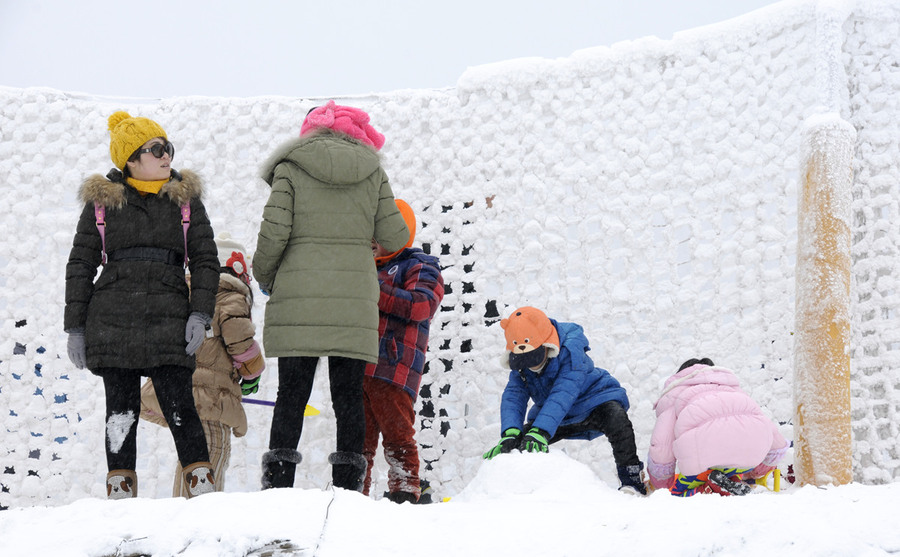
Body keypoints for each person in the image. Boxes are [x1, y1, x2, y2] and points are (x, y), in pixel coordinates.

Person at [253, 101, 410, 492]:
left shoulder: (291, 167)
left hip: (299, 296)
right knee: (348, 398)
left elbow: (273, 234)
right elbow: (395, 237)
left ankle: (278, 485)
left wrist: (266, 276)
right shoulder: (373, 170)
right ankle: (347, 490)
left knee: (291, 394)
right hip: (353, 300)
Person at [64, 111, 220, 499]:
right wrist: (76, 328)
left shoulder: (186, 202)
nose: (166, 155)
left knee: (181, 408)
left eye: (167, 147)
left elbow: (205, 260)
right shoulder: (102, 205)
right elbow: (81, 264)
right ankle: (120, 501)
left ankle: (202, 495)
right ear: (131, 159)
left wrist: (200, 313)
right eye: (156, 149)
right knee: (120, 412)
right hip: (112, 321)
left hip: (168, 318)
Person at [140, 233, 265, 497]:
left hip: (176, 396)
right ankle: (193, 527)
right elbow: (241, 344)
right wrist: (253, 371)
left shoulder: (183, 296)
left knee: (192, 465)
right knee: (208, 464)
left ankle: (185, 521)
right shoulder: (229, 296)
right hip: (209, 403)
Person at [483, 307, 647, 495]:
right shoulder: (522, 367)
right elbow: (514, 396)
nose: (530, 364)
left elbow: (563, 392)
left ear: (547, 344)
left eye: (534, 356)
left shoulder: (571, 353)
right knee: (522, 443)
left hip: (593, 402)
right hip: (556, 417)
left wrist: (542, 430)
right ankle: (515, 489)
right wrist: (511, 432)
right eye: (523, 359)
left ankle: (632, 479)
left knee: (617, 420)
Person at [362, 199, 444, 504]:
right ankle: (351, 498)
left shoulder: (420, 264)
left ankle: (405, 493)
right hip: (357, 367)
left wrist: (372, 289)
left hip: (392, 367)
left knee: (397, 437)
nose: (370, 241)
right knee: (357, 442)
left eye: (377, 235)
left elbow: (421, 305)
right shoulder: (364, 268)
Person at [646, 358, 789, 496]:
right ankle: (729, 482)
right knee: (730, 468)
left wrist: (662, 485)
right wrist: (756, 472)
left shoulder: (675, 394)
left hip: (706, 458)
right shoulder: (734, 390)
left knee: (677, 492)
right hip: (747, 459)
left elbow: (661, 448)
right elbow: (776, 444)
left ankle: (708, 488)